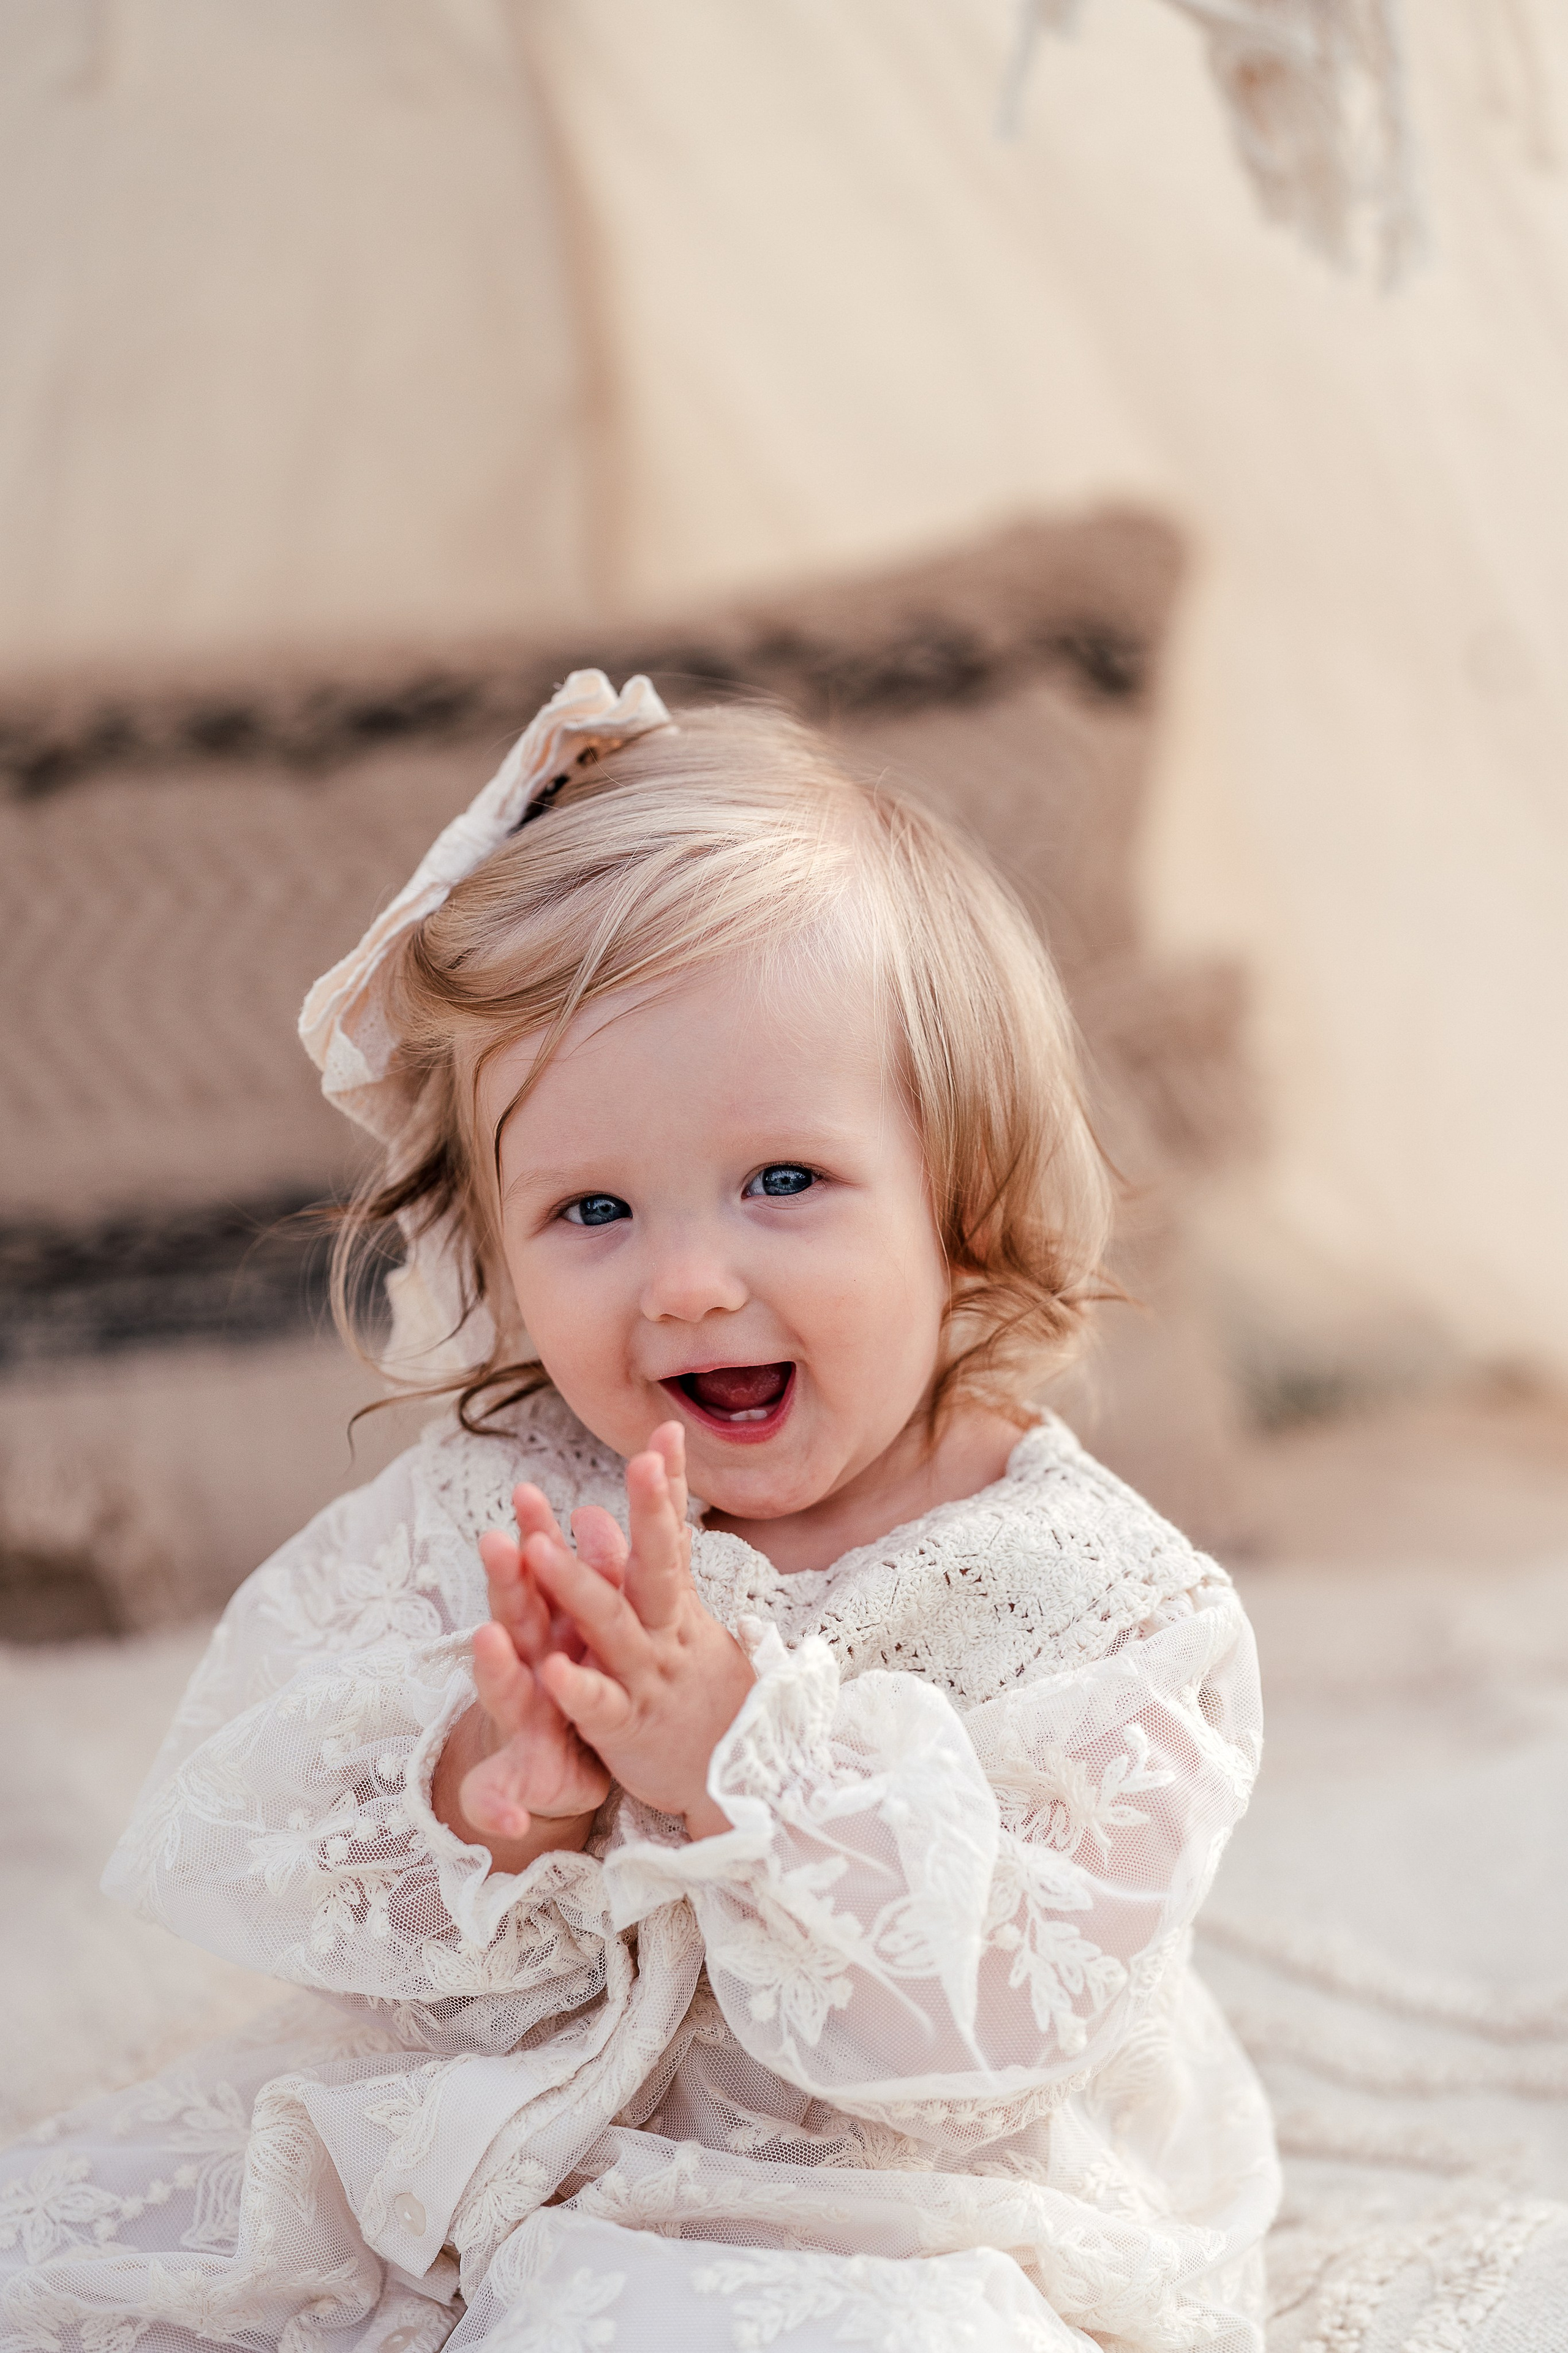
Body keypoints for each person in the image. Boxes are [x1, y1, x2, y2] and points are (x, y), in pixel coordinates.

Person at [0, 673, 1278, 2352]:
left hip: (888, 2188)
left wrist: (739, 1752)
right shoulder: (510, 1503)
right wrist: (495, 1785)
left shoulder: (1094, 1596)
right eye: (592, 1206)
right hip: (514, 2127)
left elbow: (1011, 2008)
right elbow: (295, 1815)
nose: (686, 1281)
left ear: (959, 1196)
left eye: (783, 1182)